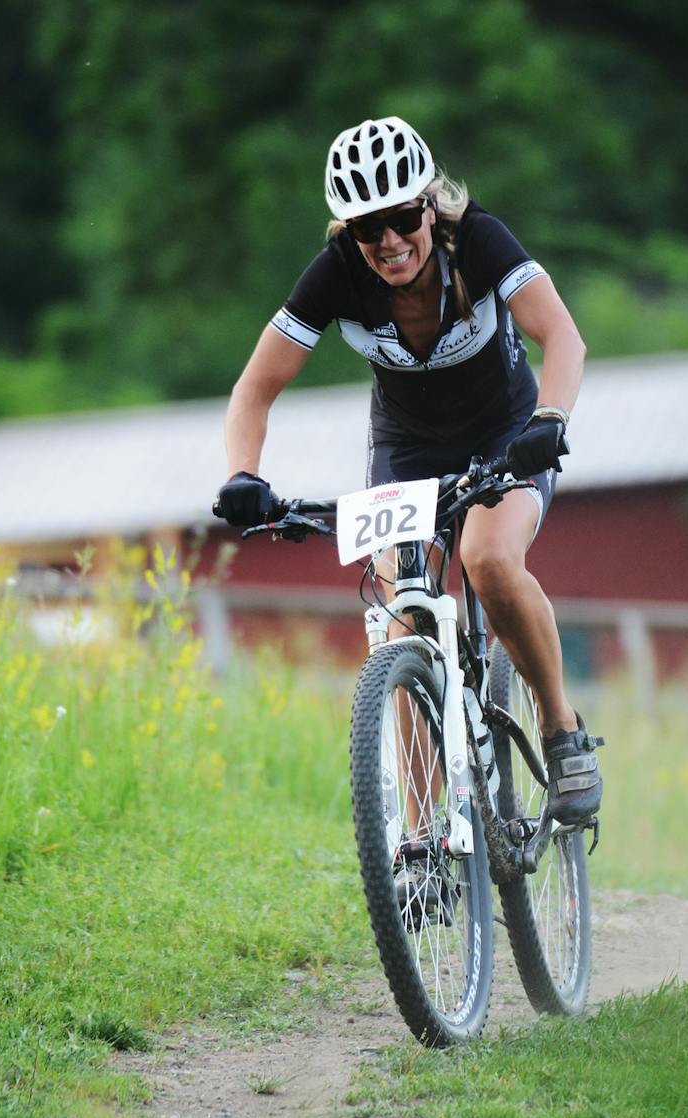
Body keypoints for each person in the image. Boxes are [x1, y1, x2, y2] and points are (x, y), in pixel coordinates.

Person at [213, 116, 602, 826]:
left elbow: (563, 337)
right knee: (404, 615)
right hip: (410, 451)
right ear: (349, 233)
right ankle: (422, 838)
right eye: (368, 228)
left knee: (486, 558)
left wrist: (551, 421)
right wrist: (244, 472)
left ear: (428, 205)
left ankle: (560, 724)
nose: (389, 241)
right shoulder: (337, 276)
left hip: (507, 434)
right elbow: (253, 388)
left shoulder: (479, 240)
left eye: (400, 217)